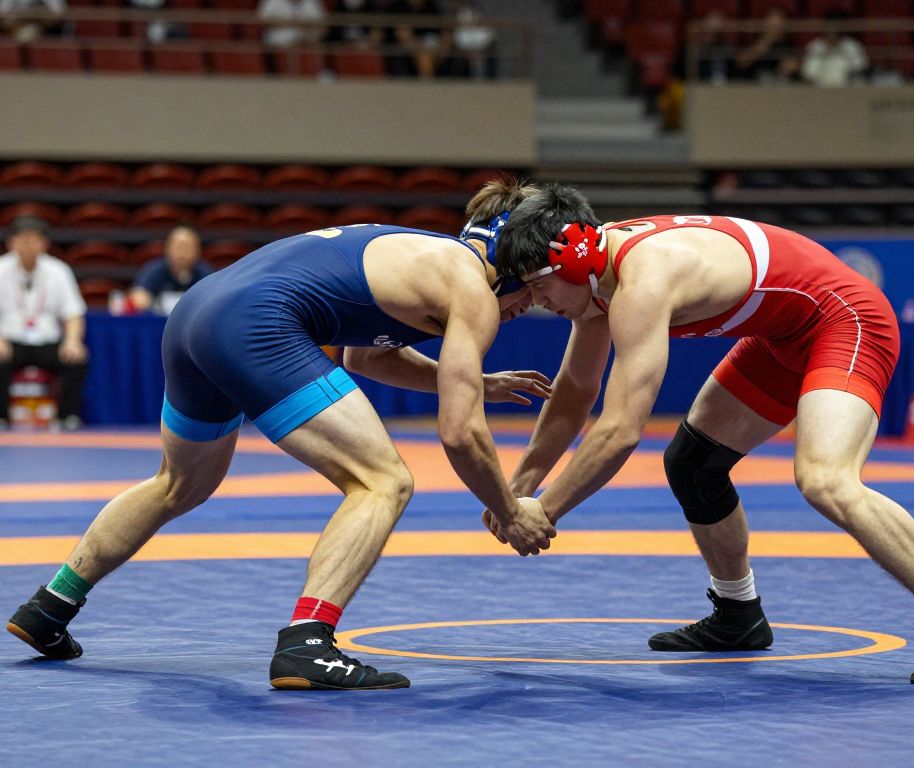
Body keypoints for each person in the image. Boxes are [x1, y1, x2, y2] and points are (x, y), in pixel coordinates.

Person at [6, 178, 556, 691]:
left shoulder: (425, 256)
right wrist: (509, 511)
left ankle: (51, 606)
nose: (531, 304)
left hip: (196, 315)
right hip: (256, 323)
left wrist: (476, 382)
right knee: (382, 481)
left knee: (177, 483)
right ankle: (306, 644)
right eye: (533, 291)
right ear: (517, 264)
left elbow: (367, 357)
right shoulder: (472, 287)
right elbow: (460, 434)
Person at [484, 184, 914, 685]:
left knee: (826, 480)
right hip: (784, 334)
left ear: (575, 260)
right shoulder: (599, 277)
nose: (535, 300)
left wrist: (545, 512)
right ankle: (737, 613)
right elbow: (575, 392)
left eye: (538, 284)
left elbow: (620, 429)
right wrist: (517, 490)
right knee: (693, 463)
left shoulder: (644, 280)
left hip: (846, 319)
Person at [0, 215, 88, 432]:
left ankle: (66, 416)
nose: (28, 245)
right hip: (10, 341)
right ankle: (1, 417)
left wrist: (72, 341)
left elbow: (73, 313)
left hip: (47, 341)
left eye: (34, 239)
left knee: (77, 358)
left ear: (44, 243)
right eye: (22, 239)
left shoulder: (58, 271)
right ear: (11, 242)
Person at [130, 225, 214, 316]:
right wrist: (142, 299)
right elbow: (138, 295)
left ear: (198, 251)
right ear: (167, 248)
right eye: (178, 247)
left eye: (187, 247)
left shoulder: (207, 275)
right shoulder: (153, 270)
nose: (182, 252)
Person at [801, 8, 868, 87]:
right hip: (818, 89)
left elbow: (860, 68)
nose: (833, 30)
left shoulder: (852, 45)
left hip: (847, 89)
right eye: (830, 26)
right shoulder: (815, 46)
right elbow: (808, 72)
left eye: (837, 26)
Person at [734, 5, 800, 84]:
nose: (775, 26)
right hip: (753, 84)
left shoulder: (789, 45)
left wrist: (787, 68)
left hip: (778, 85)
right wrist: (767, 41)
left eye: (778, 22)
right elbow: (741, 63)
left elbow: (794, 66)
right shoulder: (756, 40)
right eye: (771, 22)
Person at [258, 0, 326, 48]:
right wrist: (289, 23)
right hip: (279, 43)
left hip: (308, 43)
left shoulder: (313, 2)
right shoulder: (272, 1)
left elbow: (325, 24)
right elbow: (262, 22)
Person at [0, 0, 67, 44]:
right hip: (15, 30)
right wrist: (32, 15)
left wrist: (30, 15)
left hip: (48, 33)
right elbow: (5, 20)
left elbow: (57, 18)